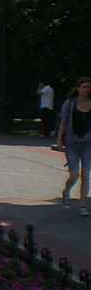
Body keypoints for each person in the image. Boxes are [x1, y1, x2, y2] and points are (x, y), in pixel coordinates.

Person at [56, 77, 91, 217]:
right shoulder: (70, 104)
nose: (86, 90)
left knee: (86, 175)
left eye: (88, 87)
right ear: (78, 89)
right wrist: (59, 139)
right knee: (74, 175)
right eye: (83, 87)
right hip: (71, 143)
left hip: (87, 143)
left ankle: (82, 205)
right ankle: (66, 191)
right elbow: (63, 122)